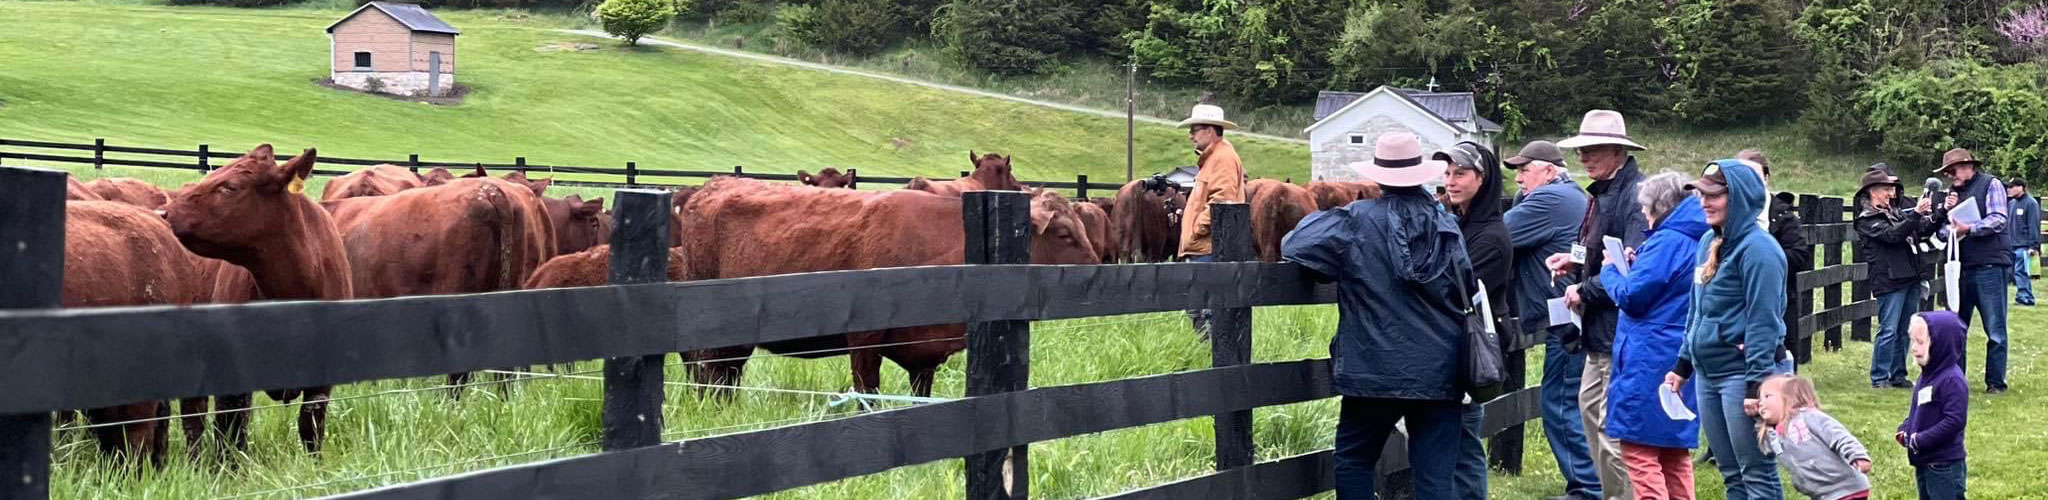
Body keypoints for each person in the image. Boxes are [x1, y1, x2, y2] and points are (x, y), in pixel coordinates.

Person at [1283, 132, 1469, 500]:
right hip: (1441, 365)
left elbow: (1296, 243)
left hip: (1373, 365)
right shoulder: (1447, 225)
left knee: (1355, 459)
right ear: (1421, 174)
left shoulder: (1356, 221)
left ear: (1379, 176)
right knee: (1435, 474)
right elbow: (1464, 282)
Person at [1664, 158, 1787, 500]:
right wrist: (1682, 365)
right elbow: (1697, 309)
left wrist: (1756, 386)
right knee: (1731, 474)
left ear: (1741, 198)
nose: (1704, 202)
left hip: (1741, 376)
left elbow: (1765, 322)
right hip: (1708, 373)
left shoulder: (1760, 251)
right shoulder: (1707, 241)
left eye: (1714, 196)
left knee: (1757, 474)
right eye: (1701, 195)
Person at [1552, 109, 1648, 500]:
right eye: (1581, 151)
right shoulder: (1603, 193)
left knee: (1612, 429)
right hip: (1597, 333)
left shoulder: (1635, 196)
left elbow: (1631, 268)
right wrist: (1574, 260)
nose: (1584, 158)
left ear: (1616, 151)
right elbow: (1596, 248)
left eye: (1592, 150)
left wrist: (1583, 291)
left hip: (1619, 333)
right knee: (1591, 413)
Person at [1503, 140, 1600, 500]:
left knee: (1561, 402)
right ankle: (1596, 483)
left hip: (1566, 322)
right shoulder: (1574, 197)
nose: (1519, 180)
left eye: (1525, 171)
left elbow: (1498, 236)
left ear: (1548, 170)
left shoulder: (1548, 200)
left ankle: (1588, 489)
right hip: (1579, 316)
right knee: (1579, 401)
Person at [1598, 172, 1704, 500]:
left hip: (1650, 354)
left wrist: (1611, 271)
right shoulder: (1695, 236)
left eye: (1646, 207)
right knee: (1673, 452)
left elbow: (1633, 296)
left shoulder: (1668, 240)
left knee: (1639, 449)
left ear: (1660, 206)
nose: (1644, 213)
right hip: (1677, 349)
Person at [1437, 142, 1510, 500]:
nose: (1450, 181)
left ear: (1483, 179)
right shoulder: (1461, 224)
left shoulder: (1491, 237)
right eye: (1447, 173)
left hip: (1469, 354)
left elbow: (1453, 291)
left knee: (1464, 449)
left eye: (1460, 173)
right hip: (1450, 350)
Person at [1931, 148, 2012, 393]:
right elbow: (1942, 230)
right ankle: (1956, 382)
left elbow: (1999, 218)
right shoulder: (1952, 194)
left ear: (1968, 166)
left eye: (1952, 171)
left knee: (1995, 329)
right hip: (1961, 268)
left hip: (1989, 265)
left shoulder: (1992, 184)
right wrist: (1948, 217)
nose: (1949, 176)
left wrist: (1969, 228)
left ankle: (1995, 383)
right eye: (1946, 173)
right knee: (1956, 328)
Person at [1854, 167, 1940, 389]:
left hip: (1909, 276)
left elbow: (1919, 229)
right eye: (1885, 189)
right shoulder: (1867, 219)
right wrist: (1915, 214)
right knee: (1889, 329)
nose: (1891, 194)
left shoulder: (1895, 212)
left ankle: (1898, 375)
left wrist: (1940, 213)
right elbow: (1893, 236)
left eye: (1891, 189)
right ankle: (1880, 376)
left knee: (1905, 329)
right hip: (1889, 279)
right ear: (1872, 191)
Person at [1176, 102, 1246, 336]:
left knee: (1206, 311)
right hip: (1205, 247)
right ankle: (1208, 360)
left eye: (1194, 130)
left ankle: (1211, 362)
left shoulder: (1222, 158)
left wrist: (1197, 229)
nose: (1191, 136)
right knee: (1202, 309)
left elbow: (1222, 200)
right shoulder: (1216, 157)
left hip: (1208, 248)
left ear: (1210, 130)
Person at [1741, 150, 1811, 367]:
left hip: (1780, 303)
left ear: (1766, 178)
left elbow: (1800, 255)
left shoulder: (1784, 216)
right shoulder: (1729, 216)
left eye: (1755, 175)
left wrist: (1763, 263)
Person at [1757, 374, 1873, 500]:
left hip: (1846, 488)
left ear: (1790, 398)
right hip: (1822, 494)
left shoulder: (1809, 417)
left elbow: (1839, 435)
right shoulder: (1773, 433)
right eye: (1760, 398)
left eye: (1767, 396)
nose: (1760, 403)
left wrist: (1858, 455)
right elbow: (1767, 450)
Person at [1899, 311, 1970, 500]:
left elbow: (1954, 421)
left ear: (1940, 345)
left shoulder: (1952, 380)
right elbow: (1920, 412)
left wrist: (1921, 439)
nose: (1914, 348)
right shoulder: (1927, 375)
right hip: (1925, 461)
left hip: (1944, 466)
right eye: (1912, 341)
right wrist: (1906, 428)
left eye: (1920, 342)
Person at [2007, 178, 2039, 306]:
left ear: (2021, 187)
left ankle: (2023, 298)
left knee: (2021, 271)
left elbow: (2034, 225)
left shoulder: (2031, 203)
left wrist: (2033, 245)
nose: (2009, 189)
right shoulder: (2012, 203)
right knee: (2016, 272)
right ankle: (2027, 297)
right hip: (2012, 243)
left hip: (2024, 244)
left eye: (2012, 187)